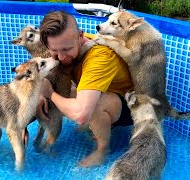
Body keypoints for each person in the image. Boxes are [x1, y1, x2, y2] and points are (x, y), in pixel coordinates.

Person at [38, 11, 134, 167]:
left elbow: (81, 115)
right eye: (54, 51)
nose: (61, 57)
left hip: (131, 104)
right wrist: (39, 94)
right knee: (66, 87)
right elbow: (39, 68)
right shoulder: (62, 43)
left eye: (67, 49)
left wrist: (50, 94)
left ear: (80, 36)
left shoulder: (99, 56)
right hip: (106, 90)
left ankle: (103, 150)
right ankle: (96, 122)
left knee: (92, 106)